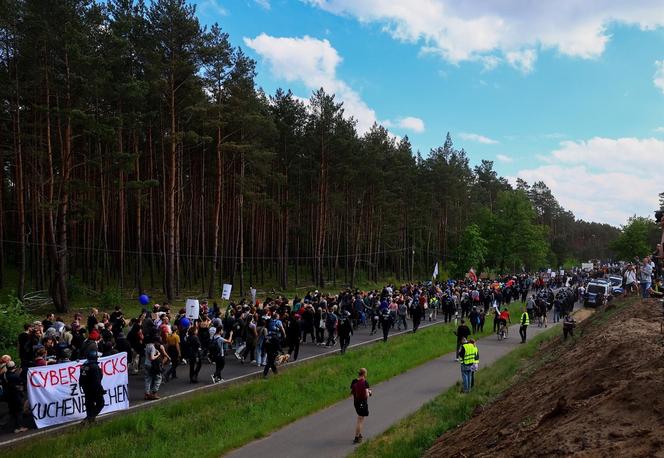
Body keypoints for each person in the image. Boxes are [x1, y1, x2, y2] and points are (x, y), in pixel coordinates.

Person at [79, 350, 106, 423]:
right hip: (94, 389)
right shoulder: (94, 367)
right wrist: (101, 390)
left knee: (89, 404)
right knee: (101, 403)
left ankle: (91, 422)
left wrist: (82, 386)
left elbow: (81, 378)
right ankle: (89, 418)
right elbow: (96, 381)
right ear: (95, 357)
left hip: (86, 388)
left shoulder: (84, 365)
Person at [350, 368, 372, 444]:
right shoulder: (365, 382)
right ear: (364, 374)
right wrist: (370, 392)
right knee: (360, 421)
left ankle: (359, 435)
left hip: (356, 403)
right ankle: (357, 437)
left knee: (359, 419)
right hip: (362, 403)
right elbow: (367, 395)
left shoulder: (354, 381)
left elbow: (352, 392)